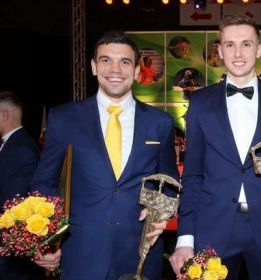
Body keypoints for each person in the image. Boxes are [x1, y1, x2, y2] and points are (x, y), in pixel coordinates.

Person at [31, 30, 179, 279]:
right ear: (93, 66)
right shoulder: (64, 118)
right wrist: (47, 240)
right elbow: (43, 183)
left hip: (140, 254)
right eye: (106, 60)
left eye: (125, 62)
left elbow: (169, 181)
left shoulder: (160, 122)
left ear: (135, 71)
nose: (115, 69)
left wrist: (162, 212)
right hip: (80, 253)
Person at [169, 14, 261, 280]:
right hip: (212, 227)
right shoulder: (200, 102)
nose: (238, 53)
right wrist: (185, 238)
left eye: (246, 44)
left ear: (259, 49)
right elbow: (192, 175)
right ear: (220, 50)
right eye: (229, 45)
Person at [0, 91, 42, 279]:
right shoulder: (13, 145)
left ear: (4, 115)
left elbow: (13, 203)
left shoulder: (20, 149)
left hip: (10, 251)